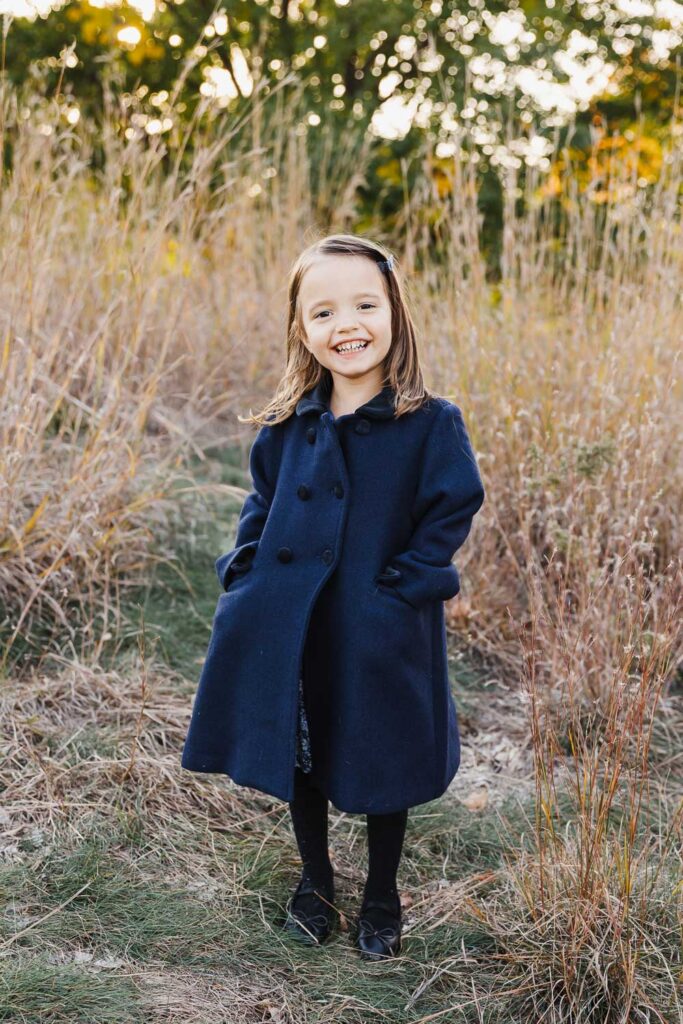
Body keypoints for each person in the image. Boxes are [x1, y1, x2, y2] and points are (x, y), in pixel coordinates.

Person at [181, 234, 486, 960]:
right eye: (322, 312)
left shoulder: (429, 423)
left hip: (377, 621)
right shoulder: (287, 425)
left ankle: (381, 892)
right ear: (301, 329)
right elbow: (261, 501)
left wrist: (403, 588)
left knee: (385, 753)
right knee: (302, 750)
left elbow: (452, 507)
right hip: (291, 619)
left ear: (393, 314)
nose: (345, 325)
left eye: (362, 306)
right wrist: (245, 568)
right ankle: (314, 880)